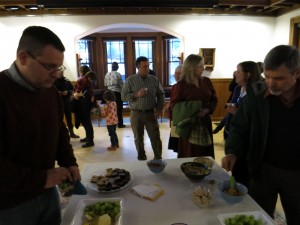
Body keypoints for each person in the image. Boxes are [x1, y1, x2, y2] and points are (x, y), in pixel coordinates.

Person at [0, 26, 80, 225]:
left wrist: (69, 162)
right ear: (24, 57)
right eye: (49, 66)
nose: (56, 75)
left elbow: (59, 133)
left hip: (47, 193)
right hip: (10, 204)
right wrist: (43, 179)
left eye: (59, 68)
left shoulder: (50, 93)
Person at [221, 45, 300, 225]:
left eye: (279, 78)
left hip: (297, 174)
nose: (271, 84)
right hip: (262, 168)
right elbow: (239, 127)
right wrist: (232, 151)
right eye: (267, 76)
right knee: (259, 215)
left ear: (297, 73)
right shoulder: (256, 95)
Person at [217, 61, 262, 187]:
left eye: (238, 71)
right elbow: (230, 103)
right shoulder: (237, 89)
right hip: (231, 130)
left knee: (243, 170)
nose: (235, 74)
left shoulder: (256, 93)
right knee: (234, 166)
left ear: (248, 74)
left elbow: (256, 120)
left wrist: (238, 112)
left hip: (246, 138)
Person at [170, 54, 218, 158]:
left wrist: (208, 110)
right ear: (191, 67)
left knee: (205, 153)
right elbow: (174, 105)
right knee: (190, 153)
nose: (203, 68)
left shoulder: (206, 81)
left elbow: (214, 99)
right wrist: (193, 108)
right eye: (200, 66)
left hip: (205, 122)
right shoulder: (181, 85)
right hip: (189, 125)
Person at [122, 56, 165, 160]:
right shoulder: (130, 80)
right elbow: (123, 97)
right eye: (145, 66)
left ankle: (158, 158)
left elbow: (161, 94)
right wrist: (136, 94)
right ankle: (141, 157)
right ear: (138, 67)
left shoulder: (154, 80)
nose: (147, 68)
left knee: (155, 137)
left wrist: (159, 109)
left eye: (148, 66)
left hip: (151, 113)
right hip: (136, 114)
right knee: (138, 138)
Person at [73, 70, 96, 148]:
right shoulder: (84, 81)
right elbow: (80, 91)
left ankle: (90, 141)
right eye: (92, 79)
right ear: (89, 77)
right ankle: (88, 138)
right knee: (87, 122)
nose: (92, 81)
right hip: (85, 104)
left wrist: (76, 95)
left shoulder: (83, 80)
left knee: (86, 122)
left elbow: (77, 92)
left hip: (83, 104)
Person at [54, 73, 79, 138]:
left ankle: (72, 133)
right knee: (59, 119)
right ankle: (59, 135)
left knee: (69, 118)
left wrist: (67, 92)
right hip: (57, 102)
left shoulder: (66, 80)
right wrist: (59, 93)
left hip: (66, 102)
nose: (61, 73)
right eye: (59, 72)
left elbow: (72, 90)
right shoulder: (53, 80)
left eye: (62, 72)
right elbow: (51, 90)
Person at [163, 65, 182, 152]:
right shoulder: (175, 86)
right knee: (176, 144)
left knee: (181, 144)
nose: (177, 75)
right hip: (175, 118)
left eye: (180, 73)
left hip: (182, 119)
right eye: (175, 73)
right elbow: (173, 100)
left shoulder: (186, 87)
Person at [104, 62, 125, 128]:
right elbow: (121, 84)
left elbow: (105, 84)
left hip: (109, 93)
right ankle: (120, 124)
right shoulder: (118, 74)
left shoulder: (107, 74)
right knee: (119, 108)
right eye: (118, 66)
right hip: (117, 93)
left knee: (111, 108)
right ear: (117, 67)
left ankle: (112, 123)